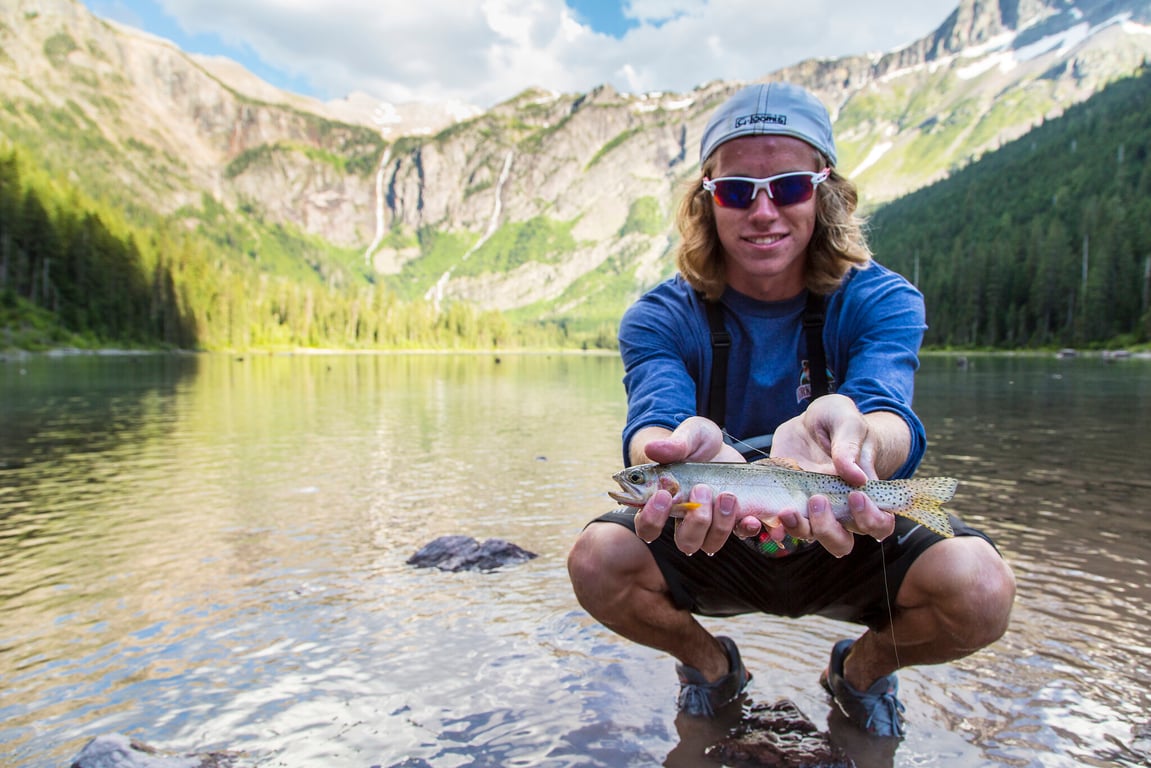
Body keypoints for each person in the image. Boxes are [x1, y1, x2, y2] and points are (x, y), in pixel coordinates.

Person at [566, 81, 1015, 739]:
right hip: (719, 527)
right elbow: (652, 427)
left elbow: (889, 415)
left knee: (980, 588)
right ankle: (710, 665)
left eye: (789, 186)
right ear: (706, 198)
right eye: (737, 190)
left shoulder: (884, 299)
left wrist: (856, 445)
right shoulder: (658, 315)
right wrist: (667, 456)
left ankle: (857, 673)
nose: (763, 210)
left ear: (824, 191)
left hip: (845, 517)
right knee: (594, 559)